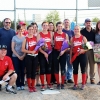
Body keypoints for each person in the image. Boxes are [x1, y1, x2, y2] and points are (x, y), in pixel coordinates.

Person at [70, 25, 87, 90]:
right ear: (74, 30)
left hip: (82, 55)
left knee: (83, 69)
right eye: (75, 29)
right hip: (75, 56)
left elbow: (87, 48)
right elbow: (71, 49)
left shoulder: (83, 38)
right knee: (75, 70)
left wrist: (83, 50)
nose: (76, 30)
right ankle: (75, 84)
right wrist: (70, 58)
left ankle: (83, 84)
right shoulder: (72, 38)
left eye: (77, 29)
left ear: (80, 30)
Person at [22, 25, 38, 92]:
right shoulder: (25, 39)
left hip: (35, 56)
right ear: (27, 30)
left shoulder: (36, 38)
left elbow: (39, 47)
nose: (31, 31)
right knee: (29, 72)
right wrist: (30, 51)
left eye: (32, 29)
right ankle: (29, 86)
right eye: (30, 29)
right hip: (29, 56)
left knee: (34, 72)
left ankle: (33, 86)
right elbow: (22, 49)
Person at [37, 21, 53, 91]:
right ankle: (43, 84)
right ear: (42, 26)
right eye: (44, 25)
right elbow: (38, 46)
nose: (45, 27)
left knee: (49, 69)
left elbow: (52, 43)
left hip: (49, 53)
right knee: (42, 69)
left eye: (46, 25)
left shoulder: (51, 33)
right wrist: (44, 52)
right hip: (42, 54)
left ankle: (49, 84)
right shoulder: (39, 34)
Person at [54, 22, 69, 89]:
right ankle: (58, 83)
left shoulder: (65, 35)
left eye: (61, 26)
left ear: (62, 27)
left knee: (63, 69)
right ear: (56, 27)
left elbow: (67, 45)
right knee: (56, 68)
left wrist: (63, 51)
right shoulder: (54, 34)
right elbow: (52, 43)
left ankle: (62, 83)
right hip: (56, 52)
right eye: (58, 26)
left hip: (63, 53)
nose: (59, 27)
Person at [81, 18, 95, 84]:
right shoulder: (82, 31)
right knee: (85, 65)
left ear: (91, 23)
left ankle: (92, 78)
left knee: (92, 65)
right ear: (85, 24)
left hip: (92, 50)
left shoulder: (94, 31)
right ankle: (85, 78)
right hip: (85, 50)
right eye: (87, 23)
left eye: (89, 23)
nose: (88, 24)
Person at [11, 25, 26, 90]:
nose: (20, 30)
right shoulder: (14, 37)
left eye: (22, 29)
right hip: (15, 56)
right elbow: (12, 48)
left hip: (23, 56)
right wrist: (18, 56)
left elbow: (27, 48)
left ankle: (22, 84)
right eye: (19, 29)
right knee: (17, 71)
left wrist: (23, 55)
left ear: (23, 30)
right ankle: (18, 84)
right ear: (17, 30)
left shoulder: (25, 37)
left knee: (22, 71)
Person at [63, 19, 74, 83]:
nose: (66, 23)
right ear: (63, 23)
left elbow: (73, 40)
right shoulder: (61, 31)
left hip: (70, 51)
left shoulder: (72, 32)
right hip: (63, 51)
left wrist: (70, 46)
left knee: (70, 64)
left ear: (69, 23)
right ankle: (64, 78)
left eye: (67, 22)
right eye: (65, 22)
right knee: (63, 65)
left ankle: (69, 77)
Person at [31, 22, 41, 86]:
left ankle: (37, 81)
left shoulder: (39, 35)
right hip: (30, 54)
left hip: (38, 54)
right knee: (31, 68)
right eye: (33, 27)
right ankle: (31, 81)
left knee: (38, 68)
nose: (34, 29)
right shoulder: (28, 35)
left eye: (35, 27)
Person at [94, 21, 100, 85]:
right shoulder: (95, 33)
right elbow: (94, 42)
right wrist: (96, 52)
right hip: (97, 49)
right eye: (99, 24)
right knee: (99, 66)